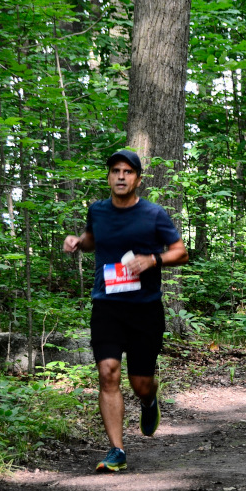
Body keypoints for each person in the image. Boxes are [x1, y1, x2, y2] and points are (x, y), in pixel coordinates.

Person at [62, 150, 189, 472]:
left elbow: (181, 252)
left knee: (140, 381)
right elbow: (92, 240)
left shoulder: (154, 214)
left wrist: (153, 259)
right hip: (106, 305)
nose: (121, 176)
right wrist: (78, 241)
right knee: (108, 373)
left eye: (128, 172)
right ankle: (116, 450)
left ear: (138, 179)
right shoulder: (98, 211)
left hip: (145, 309)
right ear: (109, 177)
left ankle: (149, 401)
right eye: (115, 171)